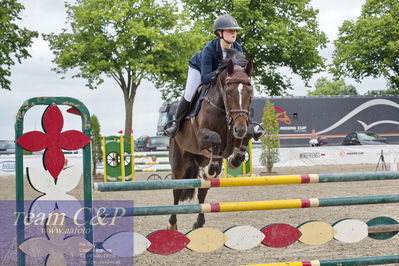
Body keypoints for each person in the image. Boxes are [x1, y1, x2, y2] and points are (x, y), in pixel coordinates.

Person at [165, 14, 264, 140]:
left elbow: (238, 72)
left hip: (224, 77)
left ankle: (250, 125)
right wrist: (220, 73)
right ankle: (176, 125)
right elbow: (205, 78)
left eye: (235, 31)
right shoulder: (209, 49)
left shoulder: (238, 48)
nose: (234, 33)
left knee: (242, 92)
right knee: (189, 93)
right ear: (219, 33)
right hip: (199, 69)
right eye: (230, 30)